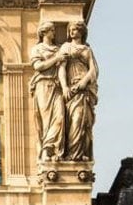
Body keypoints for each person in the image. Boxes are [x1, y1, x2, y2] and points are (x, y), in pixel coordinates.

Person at [58, 20, 98, 160]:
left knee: (82, 121)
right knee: (73, 120)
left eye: (75, 29)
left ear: (81, 32)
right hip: (71, 90)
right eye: (71, 29)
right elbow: (61, 68)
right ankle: (72, 154)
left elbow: (93, 70)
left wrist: (83, 82)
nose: (72, 32)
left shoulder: (87, 50)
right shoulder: (66, 47)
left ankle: (78, 154)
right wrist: (64, 87)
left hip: (83, 89)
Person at [29, 20, 66, 162]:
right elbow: (38, 66)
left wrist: (65, 87)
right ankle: (46, 151)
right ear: (44, 32)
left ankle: (51, 149)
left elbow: (62, 69)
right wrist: (56, 58)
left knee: (59, 118)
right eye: (51, 30)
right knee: (46, 120)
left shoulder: (58, 48)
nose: (54, 32)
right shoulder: (37, 49)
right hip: (43, 85)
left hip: (56, 86)